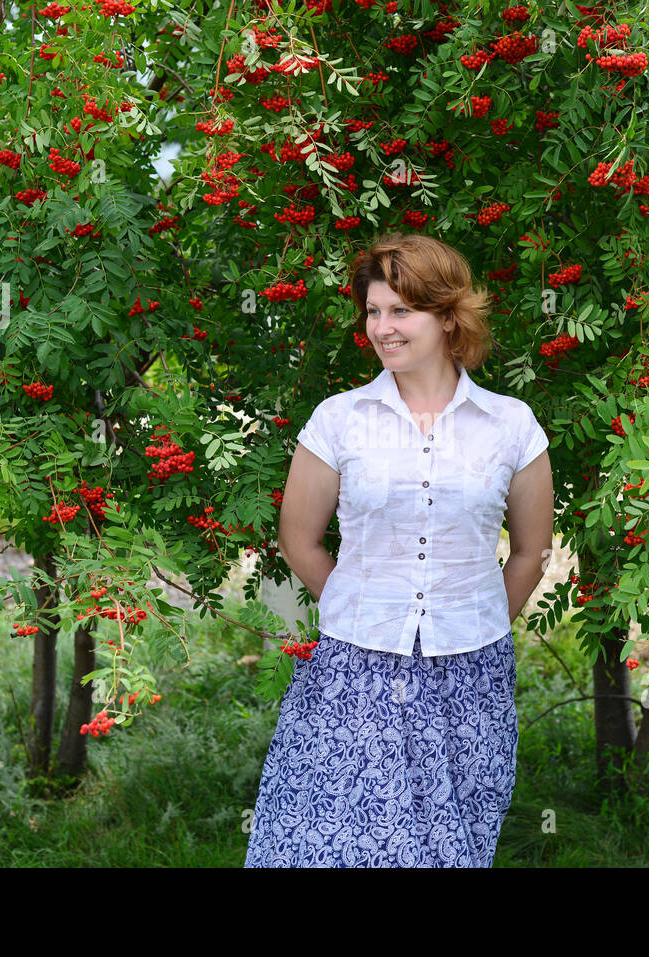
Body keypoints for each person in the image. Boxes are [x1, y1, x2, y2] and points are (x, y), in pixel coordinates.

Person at [244, 231, 555, 867]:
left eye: (400, 311)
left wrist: (481, 622)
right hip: (353, 671)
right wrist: (362, 608)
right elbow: (298, 540)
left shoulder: (511, 425)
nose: (382, 327)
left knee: (449, 846)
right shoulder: (339, 419)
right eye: (374, 311)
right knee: (328, 842)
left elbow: (530, 551)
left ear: (447, 317)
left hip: (470, 676)